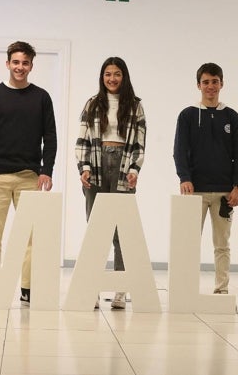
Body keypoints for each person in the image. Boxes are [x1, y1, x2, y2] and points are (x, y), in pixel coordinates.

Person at [0, 41, 57, 308]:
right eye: (16, 62)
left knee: (31, 235)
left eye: (25, 63)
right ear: (7, 63)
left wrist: (46, 171)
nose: (20, 67)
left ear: (31, 65)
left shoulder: (41, 97)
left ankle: (28, 288)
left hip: (29, 176)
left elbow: (50, 137)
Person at [75, 57, 146, 310]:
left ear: (124, 77)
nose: (112, 79)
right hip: (95, 166)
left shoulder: (135, 106)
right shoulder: (92, 104)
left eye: (117, 74)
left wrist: (135, 169)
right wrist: (83, 167)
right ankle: (92, 289)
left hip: (123, 166)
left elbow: (139, 142)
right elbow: (83, 138)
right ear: (102, 77)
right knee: (97, 230)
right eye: (107, 74)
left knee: (121, 232)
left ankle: (120, 289)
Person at [173, 63, 238, 295]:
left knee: (222, 246)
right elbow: (179, 150)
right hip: (194, 192)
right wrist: (185, 177)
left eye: (215, 81)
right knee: (189, 244)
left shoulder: (232, 117)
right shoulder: (187, 116)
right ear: (198, 85)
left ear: (221, 84)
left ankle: (221, 290)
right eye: (206, 82)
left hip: (225, 193)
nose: (210, 86)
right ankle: (186, 289)